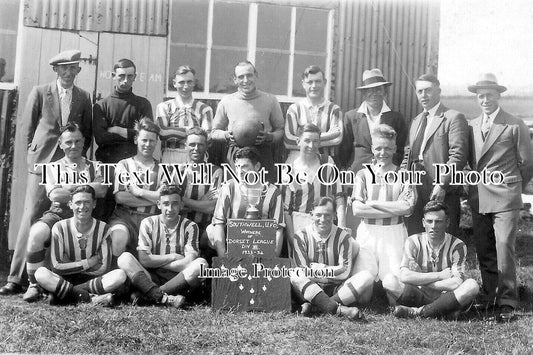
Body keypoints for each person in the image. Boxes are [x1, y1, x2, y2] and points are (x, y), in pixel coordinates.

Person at [0, 50, 92, 296]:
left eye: (73, 68)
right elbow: (27, 127)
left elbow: (88, 133)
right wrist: (33, 157)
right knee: (31, 217)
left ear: (78, 71)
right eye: (64, 68)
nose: (68, 73)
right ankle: (15, 278)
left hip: (68, 164)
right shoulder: (41, 92)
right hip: (42, 164)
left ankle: (49, 274)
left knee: (63, 217)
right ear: (56, 70)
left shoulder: (84, 97)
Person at [466, 73, 533, 322]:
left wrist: (513, 186)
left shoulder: (515, 124)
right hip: (479, 196)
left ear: (498, 96)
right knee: (484, 248)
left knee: (504, 246)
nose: (485, 100)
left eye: (490, 96)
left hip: (506, 196)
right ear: (477, 98)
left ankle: (507, 299)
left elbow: (527, 163)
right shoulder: (470, 125)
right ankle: (490, 295)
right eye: (481, 96)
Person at [23, 123, 107, 302]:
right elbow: (55, 194)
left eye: (77, 141)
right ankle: (33, 285)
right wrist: (85, 189)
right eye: (68, 142)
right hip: (59, 213)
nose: (74, 146)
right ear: (60, 144)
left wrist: (68, 187)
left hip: (86, 215)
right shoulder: (52, 167)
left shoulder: (95, 165)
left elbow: (101, 191)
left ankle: (87, 283)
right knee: (37, 232)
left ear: (84, 142)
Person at [382, 201, 479, 319]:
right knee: (388, 281)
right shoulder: (413, 241)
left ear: (447, 222)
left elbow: (456, 283)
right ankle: (442, 311)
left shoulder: (457, 246)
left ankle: (418, 312)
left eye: (438, 221)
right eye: (429, 221)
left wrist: (420, 279)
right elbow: (405, 276)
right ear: (423, 222)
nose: (433, 226)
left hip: (446, 296)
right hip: (420, 295)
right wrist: (440, 275)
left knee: (472, 285)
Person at [351, 124, 416, 300]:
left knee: (393, 290)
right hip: (368, 233)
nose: (382, 152)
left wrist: (372, 204)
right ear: (372, 148)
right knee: (362, 297)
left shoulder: (404, 175)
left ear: (395, 148)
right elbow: (357, 210)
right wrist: (393, 207)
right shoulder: (363, 175)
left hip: (393, 234)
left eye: (387, 148)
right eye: (378, 148)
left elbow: (407, 207)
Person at [34, 185, 127, 306]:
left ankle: (68, 294)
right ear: (70, 204)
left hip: (90, 280)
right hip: (65, 278)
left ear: (94, 204)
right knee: (40, 273)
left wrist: (69, 265)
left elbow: (103, 268)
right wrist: (88, 262)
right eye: (78, 202)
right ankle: (91, 299)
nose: (82, 207)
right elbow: (56, 266)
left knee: (120, 275)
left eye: (87, 202)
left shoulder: (104, 229)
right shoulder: (59, 227)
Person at [117, 185, 208, 307]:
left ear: (181, 205)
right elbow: (144, 260)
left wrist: (155, 261)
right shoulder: (148, 223)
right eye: (166, 204)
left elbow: (189, 262)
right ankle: (162, 296)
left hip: (178, 279)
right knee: (124, 258)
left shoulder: (190, 226)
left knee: (201, 264)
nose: (170, 209)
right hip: (151, 278)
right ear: (159, 204)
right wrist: (174, 256)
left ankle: (152, 295)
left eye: (175, 204)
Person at [401, 74, 468, 237]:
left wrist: (442, 184)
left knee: (443, 238)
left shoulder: (452, 118)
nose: (423, 95)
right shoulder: (416, 121)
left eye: (428, 90)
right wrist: (403, 181)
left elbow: (458, 155)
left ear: (439, 91)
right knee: (416, 236)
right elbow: (407, 155)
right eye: (419, 91)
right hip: (416, 190)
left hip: (441, 190)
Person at [290, 196, 374, 321]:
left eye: (327, 215)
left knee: (367, 277)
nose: (322, 219)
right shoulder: (301, 236)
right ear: (311, 214)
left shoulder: (343, 237)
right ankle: (337, 309)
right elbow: (302, 271)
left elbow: (344, 272)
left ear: (334, 215)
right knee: (294, 274)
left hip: (336, 290)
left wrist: (320, 268)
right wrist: (332, 270)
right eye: (318, 215)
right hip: (309, 287)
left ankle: (317, 306)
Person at [211, 61, 284, 182]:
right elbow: (213, 132)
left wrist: (270, 137)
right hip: (236, 154)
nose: (245, 80)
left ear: (256, 75)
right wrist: (226, 135)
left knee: (263, 192)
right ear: (235, 80)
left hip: (262, 154)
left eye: (249, 75)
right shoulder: (227, 101)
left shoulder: (270, 100)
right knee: (235, 191)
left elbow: (280, 129)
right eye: (240, 77)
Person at [206, 147, 285, 257]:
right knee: (210, 230)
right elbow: (219, 223)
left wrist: (273, 257)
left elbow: (278, 229)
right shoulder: (229, 187)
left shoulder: (273, 192)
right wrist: (223, 258)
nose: (239, 171)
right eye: (237, 166)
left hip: (261, 247)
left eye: (244, 166)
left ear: (257, 166)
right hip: (234, 246)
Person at [108, 118, 165, 265]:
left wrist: (138, 191)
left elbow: (166, 198)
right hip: (125, 216)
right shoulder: (124, 165)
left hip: (152, 218)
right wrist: (155, 198)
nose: (147, 144)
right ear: (135, 139)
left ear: (157, 142)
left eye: (152, 141)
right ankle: (116, 279)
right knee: (119, 237)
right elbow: (121, 197)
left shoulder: (164, 169)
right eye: (144, 140)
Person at [282, 123, 346, 250]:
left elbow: (338, 196)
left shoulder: (327, 162)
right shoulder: (289, 170)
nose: (311, 146)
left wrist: (341, 225)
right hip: (299, 222)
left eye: (316, 141)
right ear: (298, 141)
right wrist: (291, 237)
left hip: (324, 220)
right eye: (307, 141)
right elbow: (286, 210)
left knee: (324, 266)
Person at [340, 68, 407, 173]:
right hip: (356, 174)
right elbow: (344, 151)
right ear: (363, 94)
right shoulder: (351, 117)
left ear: (385, 91)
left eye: (378, 89)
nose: (374, 93)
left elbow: (400, 150)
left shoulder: (397, 118)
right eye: (370, 90)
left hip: (387, 174)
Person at [93, 58, 153, 163]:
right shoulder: (101, 105)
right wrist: (132, 134)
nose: (125, 80)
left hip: (135, 163)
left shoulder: (143, 104)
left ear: (135, 77)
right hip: (108, 162)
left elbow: (147, 135)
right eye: (121, 76)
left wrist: (118, 130)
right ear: (113, 76)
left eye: (129, 76)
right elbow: (101, 139)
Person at [284, 65, 343, 164]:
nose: (314, 86)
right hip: (297, 162)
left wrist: (304, 140)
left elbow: (337, 138)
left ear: (324, 82)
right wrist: (327, 136)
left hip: (324, 162)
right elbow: (288, 141)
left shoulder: (334, 110)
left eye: (318, 81)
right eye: (310, 82)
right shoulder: (294, 109)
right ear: (303, 84)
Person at [156, 65, 213, 163]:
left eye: (189, 82)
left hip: (196, 156)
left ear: (194, 83)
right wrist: (193, 132)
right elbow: (162, 132)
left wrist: (174, 132)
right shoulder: (164, 107)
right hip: (171, 155)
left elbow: (206, 138)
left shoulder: (205, 109)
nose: (185, 86)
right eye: (181, 82)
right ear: (174, 83)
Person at [172, 127, 222, 236]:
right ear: (185, 146)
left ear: (206, 146)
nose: (196, 148)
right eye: (192, 144)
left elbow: (211, 207)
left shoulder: (216, 172)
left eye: (200, 144)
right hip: (179, 227)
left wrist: (182, 199)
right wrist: (201, 203)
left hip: (204, 228)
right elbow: (172, 204)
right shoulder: (176, 171)